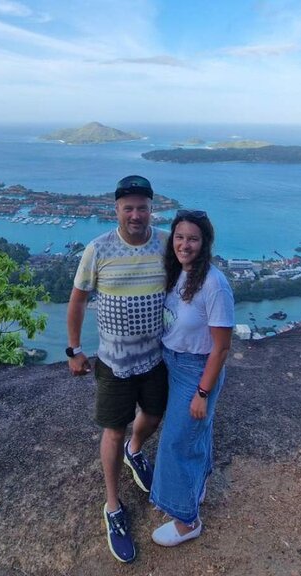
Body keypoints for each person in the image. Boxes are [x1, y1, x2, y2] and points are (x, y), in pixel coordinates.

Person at [66, 175, 169, 563]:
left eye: (142, 207)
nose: (136, 215)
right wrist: (74, 349)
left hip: (156, 357)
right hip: (114, 362)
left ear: (151, 209)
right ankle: (113, 506)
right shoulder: (98, 249)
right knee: (113, 429)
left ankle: (135, 451)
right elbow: (78, 300)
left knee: (154, 415)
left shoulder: (166, 244)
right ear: (116, 210)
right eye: (129, 208)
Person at [149, 209, 234, 547]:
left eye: (193, 239)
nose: (184, 245)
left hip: (197, 370)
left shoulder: (214, 285)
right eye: (180, 237)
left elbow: (222, 348)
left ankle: (187, 521)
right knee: (195, 435)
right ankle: (195, 489)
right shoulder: (178, 273)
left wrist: (202, 392)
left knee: (176, 442)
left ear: (205, 242)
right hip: (171, 362)